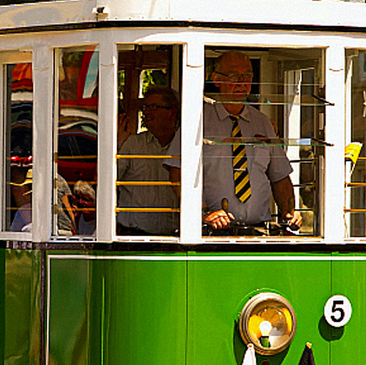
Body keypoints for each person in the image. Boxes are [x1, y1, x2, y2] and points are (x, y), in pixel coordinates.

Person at [177, 51, 299, 232]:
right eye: (234, 75)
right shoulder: (198, 122)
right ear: (216, 79)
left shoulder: (263, 123)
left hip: (259, 232)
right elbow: (177, 171)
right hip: (210, 233)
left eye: (247, 75)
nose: (242, 82)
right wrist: (203, 212)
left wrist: (289, 212)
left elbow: (280, 176)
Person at [117, 86, 179, 235]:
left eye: (154, 107)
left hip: (173, 238)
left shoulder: (185, 146)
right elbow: (107, 180)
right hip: (133, 236)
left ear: (172, 112)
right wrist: (117, 146)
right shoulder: (132, 145)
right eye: (145, 107)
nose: (147, 112)